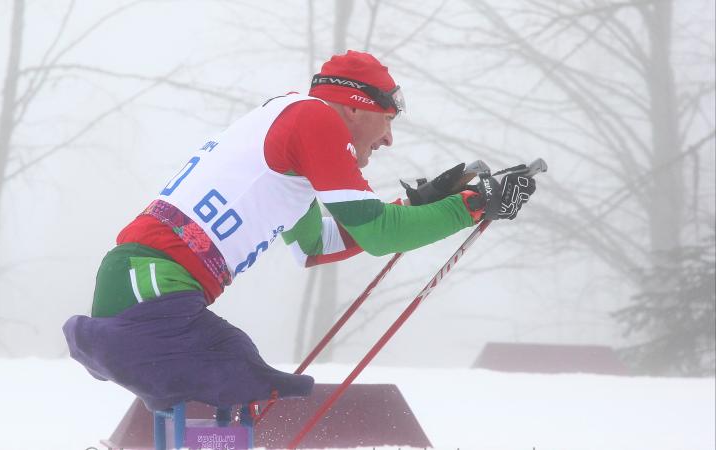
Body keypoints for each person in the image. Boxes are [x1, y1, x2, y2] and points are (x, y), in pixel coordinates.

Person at [62, 50, 536, 413]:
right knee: (239, 389)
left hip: (143, 286)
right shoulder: (315, 119)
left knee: (241, 391)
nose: (389, 138)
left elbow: (315, 245)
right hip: (148, 290)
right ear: (354, 108)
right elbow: (380, 235)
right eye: (388, 120)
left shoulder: (294, 132)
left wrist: (414, 205)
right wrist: (475, 204)